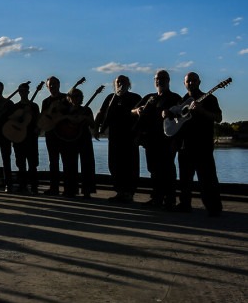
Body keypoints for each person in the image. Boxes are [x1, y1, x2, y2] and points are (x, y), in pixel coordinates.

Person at [172, 72, 223, 217]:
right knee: (184, 180)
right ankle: (184, 205)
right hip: (184, 146)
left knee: (208, 179)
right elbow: (177, 122)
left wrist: (202, 110)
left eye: (194, 81)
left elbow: (218, 118)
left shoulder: (210, 98)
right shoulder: (182, 101)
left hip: (203, 146)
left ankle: (214, 208)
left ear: (199, 82)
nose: (191, 83)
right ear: (184, 83)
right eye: (188, 81)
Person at [132, 70, 182, 209]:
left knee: (167, 170)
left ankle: (170, 199)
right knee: (153, 170)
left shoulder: (174, 97)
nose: (159, 81)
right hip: (150, 140)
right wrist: (137, 110)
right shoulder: (150, 97)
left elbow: (182, 116)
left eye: (162, 78)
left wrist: (170, 113)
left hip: (167, 140)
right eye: (157, 78)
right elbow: (132, 110)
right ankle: (156, 198)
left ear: (168, 80)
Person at [94, 75, 141, 203]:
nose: (120, 84)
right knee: (114, 164)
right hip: (114, 137)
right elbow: (101, 112)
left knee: (130, 166)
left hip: (130, 138)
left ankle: (129, 193)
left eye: (123, 82)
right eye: (118, 82)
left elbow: (141, 117)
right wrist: (96, 128)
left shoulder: (135, 97)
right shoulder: (111, 98)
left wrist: (139, 136)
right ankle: (120, 192)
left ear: (129, 84)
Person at [58, 88, 96, 198]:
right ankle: (70, 189)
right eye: (73, 96)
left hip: (84, 138)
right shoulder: (65, 110)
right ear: (69, 98)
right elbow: (57, 122)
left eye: (78, 96)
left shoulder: (87, 110)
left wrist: (84, 118)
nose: (76, 98)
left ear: (81, 98)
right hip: (69, 140)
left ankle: (87, 191)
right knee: (69, 165)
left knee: (87, 164)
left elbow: (93, 125)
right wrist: (68, 117)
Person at [7, 82, 40, 194]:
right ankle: (22, 186)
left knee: (32, 164)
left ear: (28, 92)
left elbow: (38, 122)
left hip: (31, 138)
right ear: (19, 92)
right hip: (19, 138)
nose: (23, 93)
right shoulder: (15, 107)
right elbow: (11, 121)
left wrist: (37, 129)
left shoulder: (34, 106)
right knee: (20, 164)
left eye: (25, 91)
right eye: (21, 91)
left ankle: (34, 187)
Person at [39, 76, 67, 195]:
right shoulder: (46, 102)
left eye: (55, 84)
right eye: (50, 85)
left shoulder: (66, 98)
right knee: (53, 161)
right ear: (47, 87)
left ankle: (68, 188)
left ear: (59, 85)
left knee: (67, 161)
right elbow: (44, 118)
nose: (52, 87)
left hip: (65, 134)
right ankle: (54, 188)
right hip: (51, 134)